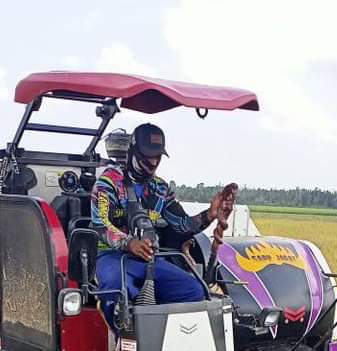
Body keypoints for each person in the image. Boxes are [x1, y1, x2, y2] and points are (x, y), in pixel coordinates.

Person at [91, 123, 235, 326]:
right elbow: (100, 225)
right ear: (133, 152)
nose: (152, 162)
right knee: (118, 292)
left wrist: (210, 215)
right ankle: (123, 343)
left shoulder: (160, 188)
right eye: (147, 156)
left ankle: (166, 339)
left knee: (194, 291)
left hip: (149, 259)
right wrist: (129, 243)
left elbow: (182, 225)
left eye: (157, 157)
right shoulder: (108, 183)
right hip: (111, 257)